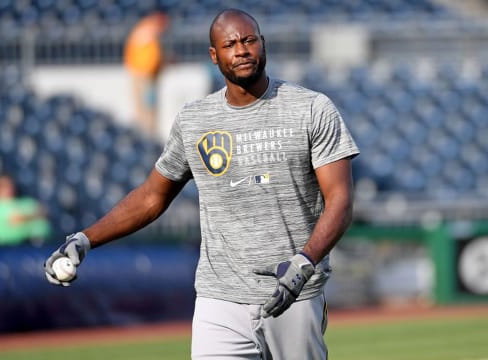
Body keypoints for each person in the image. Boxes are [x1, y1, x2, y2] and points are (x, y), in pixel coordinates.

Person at [44, 8, 359, 359]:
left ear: (262, 44)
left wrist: (305, 261)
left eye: (248, 40)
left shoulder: (312, 109)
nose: (240, 50)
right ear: (214, 55)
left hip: (294, 293)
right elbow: (152, 197)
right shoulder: (195, 120)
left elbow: (341, 201)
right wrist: (85, 240)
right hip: (219, 296)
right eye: (229, 44)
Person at [123, 11, 169, 135]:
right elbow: (148, 57)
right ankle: (146, 133)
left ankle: (149, 131)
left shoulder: (146, 31)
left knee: (150, 105)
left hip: (148, 74)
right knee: (146, 107)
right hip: (143, 75)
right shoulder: (147, 31)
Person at [0, 174, 51, 246]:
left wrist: (23, 219)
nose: (7, 188)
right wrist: (30, 218)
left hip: (36, 247)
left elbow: (43, 222)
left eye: (9, 185)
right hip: (3, 250)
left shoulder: (27, 202)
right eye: (2, 186)